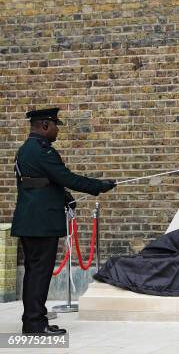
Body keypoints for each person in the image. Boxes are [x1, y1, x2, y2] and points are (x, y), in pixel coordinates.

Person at [11, 108, 116, 335]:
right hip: (41, 224)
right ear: (45, 126)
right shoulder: (42, 151)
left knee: (33, 273)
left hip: (29, 221)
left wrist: (65, 197)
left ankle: (32, 321)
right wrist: (99, 186)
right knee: (39, 274)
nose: (58, 130)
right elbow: (66, 177)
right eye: (56, 125)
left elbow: (40, 183)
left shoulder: (24, 151)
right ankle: (35, 325)